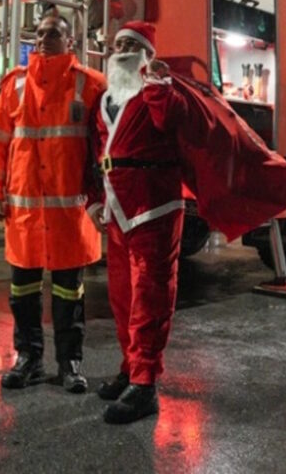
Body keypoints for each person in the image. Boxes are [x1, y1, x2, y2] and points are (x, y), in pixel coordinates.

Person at [0, 13, 106, 393]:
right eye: (38, 33)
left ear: (71, 41)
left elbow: (106, 145)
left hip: (70, 215)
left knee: (70, 295)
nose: (42, 39)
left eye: (53, 33)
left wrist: (104, 200)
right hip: (25, 214)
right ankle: (29, 359)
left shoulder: (91, 85)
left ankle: (70, 363)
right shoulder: (14, 86)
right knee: (23, 294)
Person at [87, 21, 188, 424]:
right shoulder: (105, 100)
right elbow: (94, 153)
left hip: (154, 207)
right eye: (118, 44)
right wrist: (94, 200)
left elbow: (173, 121)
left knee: (150, 298)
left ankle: (145, 384)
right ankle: (131, 369)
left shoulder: (160, 91)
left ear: (147, 54)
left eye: (133, 44)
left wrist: (159, 85)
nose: (123, 48)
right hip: (117, 210)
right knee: (122, 298)